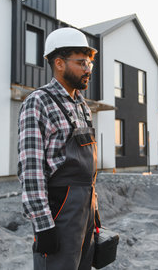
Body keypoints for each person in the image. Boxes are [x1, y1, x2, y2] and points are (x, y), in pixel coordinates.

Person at [17, 27, 99, 270]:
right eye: (82, 62)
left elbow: (88, 169)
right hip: (58, 210)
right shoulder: (38, 102)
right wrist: (43, 225)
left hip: (85, 208)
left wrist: (94, 212)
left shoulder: (82, 106)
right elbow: (31, 170)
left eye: (90, 64)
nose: (88, 70)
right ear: (60, 63)